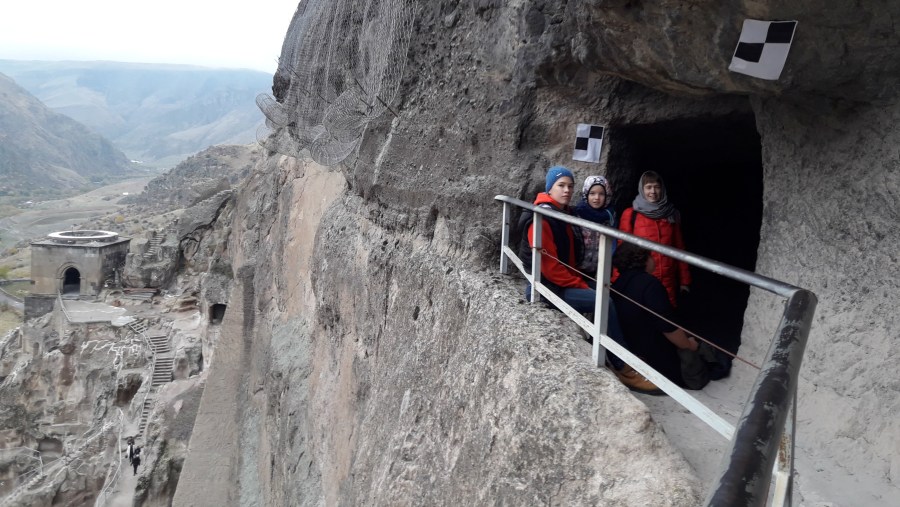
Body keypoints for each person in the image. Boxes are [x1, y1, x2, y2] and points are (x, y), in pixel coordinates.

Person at [517, 167, 657, 393]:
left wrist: (579, 279)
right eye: (561, 185)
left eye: (570, 186)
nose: (567, 190)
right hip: (545, 287)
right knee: (603, 301)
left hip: (559, 280)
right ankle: (623, 366)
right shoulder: (542, 217)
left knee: (606, 291)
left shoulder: (561, 213)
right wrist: (579, 283)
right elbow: (549, 268)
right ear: (550, 187)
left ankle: (612, 350)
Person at [611, 243, 706, 390]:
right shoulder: (649, 284)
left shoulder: (616, 285)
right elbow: (667, 326)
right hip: (657, 362)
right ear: (644, 260)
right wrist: (689, 345)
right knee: (701, 350)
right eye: (651, 256)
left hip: (632, 353)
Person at [619, 171, 691, 308]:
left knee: (666, 320)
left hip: (668, 282)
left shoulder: (671, 215)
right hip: (641, 281)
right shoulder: (631, 214)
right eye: (648, 187)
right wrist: (618, 280)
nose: (653, 191)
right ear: (642, 189)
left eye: (657, 187)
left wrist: (685, 281)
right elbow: (622, 250)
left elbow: (679, 249)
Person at [573, 175, 617, 277]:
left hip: (599, 272)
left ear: (607, 195)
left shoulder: (610, 217)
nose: (596, 198)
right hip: (576, 269)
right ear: (586, 194)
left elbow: (613, 244)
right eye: (592, 193)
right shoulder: (577, 214)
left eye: (601, 194)